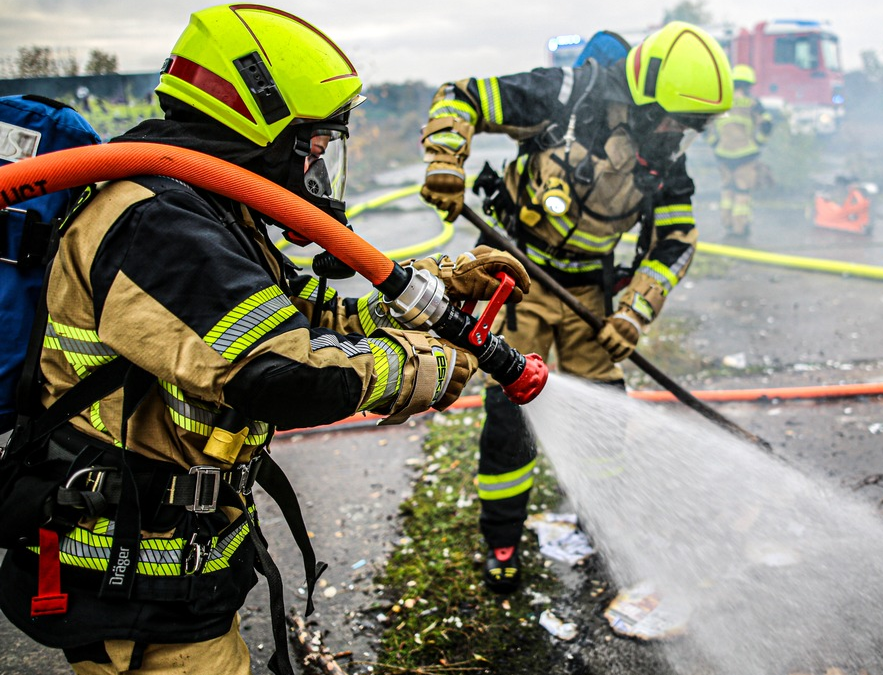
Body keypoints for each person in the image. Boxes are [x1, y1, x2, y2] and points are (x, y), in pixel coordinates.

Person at [0, 5, 527, 675]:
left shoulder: (206, 211)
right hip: (132, 586)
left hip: (171, 577)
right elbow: (283, 368)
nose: (318, 166)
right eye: (313, 146)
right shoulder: (158, 223)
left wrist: (442, 293)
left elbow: (305, 320)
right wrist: (422, 365)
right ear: (260, 124)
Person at [419, 21, 732, 593]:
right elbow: (461, 95)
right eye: (671, 120)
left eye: (690, 128)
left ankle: (600, 525)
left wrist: (634, 312)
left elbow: (675, 243)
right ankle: (503, 543)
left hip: (591, 291)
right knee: (511, 418)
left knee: (607, 414)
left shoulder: (666, 160)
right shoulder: (566, 95)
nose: (675, 135)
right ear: (643, 94)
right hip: (520, 279)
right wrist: (446, 158)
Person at [707, 64, 773, 239]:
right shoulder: (753, 104)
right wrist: (759, 142)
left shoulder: (721, 102)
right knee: (742, 192)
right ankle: (739, 229)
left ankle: (727, 223)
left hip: (722, 154)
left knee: (727, 190)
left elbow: (706, 127)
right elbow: (766, 124)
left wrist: (714, 144)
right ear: (748, 85)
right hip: (746, 155)